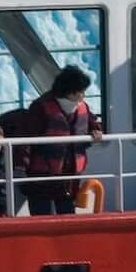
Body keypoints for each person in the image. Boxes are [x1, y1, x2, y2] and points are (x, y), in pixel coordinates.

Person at [19, 66, 102, 214]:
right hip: (42, 176)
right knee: (42, 220)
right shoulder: (40, 108)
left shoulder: (83, 108)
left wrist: (96, 131)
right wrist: (20, 168)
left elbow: (92, 123)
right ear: (69, 91)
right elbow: (26, 140)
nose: (83, 95)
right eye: (81, 91)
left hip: (69, 178)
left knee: (67, 217)